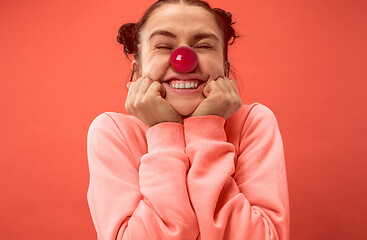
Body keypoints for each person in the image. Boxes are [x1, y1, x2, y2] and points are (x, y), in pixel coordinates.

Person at [86, 0, 290, 239]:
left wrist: (208, 130)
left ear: (225, 69)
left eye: (203, 45)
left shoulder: (252, 123)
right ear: (138, 72)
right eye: (163, 46)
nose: (184, 60)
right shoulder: (112, 132)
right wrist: (163, 133)